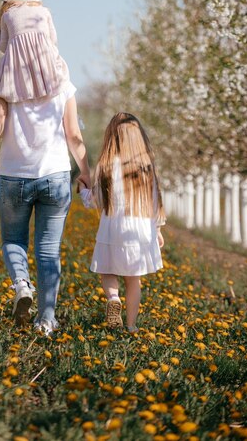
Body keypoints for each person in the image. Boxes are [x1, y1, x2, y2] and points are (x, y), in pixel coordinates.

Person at [0, 83, 90, 336]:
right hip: (55, 175)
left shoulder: (5, 82)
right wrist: (86, 171)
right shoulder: (62, 81)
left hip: (14, 175)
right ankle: (46, 321)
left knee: (13, 240)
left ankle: (22, 284)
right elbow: (73, 134)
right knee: (49, 250)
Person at [79, 113, 165, 333]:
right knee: (133, 280)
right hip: (139, 232)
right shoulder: (147, 169)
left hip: (112, 230)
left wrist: (82, 189)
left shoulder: (107, 167)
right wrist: (157, 229)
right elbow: (155, 202)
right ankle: (131, 325)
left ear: (111, 137)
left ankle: (113, 298)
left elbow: (93, 201)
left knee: (108, 271)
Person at [0, 0, 69, 105]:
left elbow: (3, 47)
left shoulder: (7, 16)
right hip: (46, 66)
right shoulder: (44, 12)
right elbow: (53, 40)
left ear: (7, 0)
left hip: (20, 71)